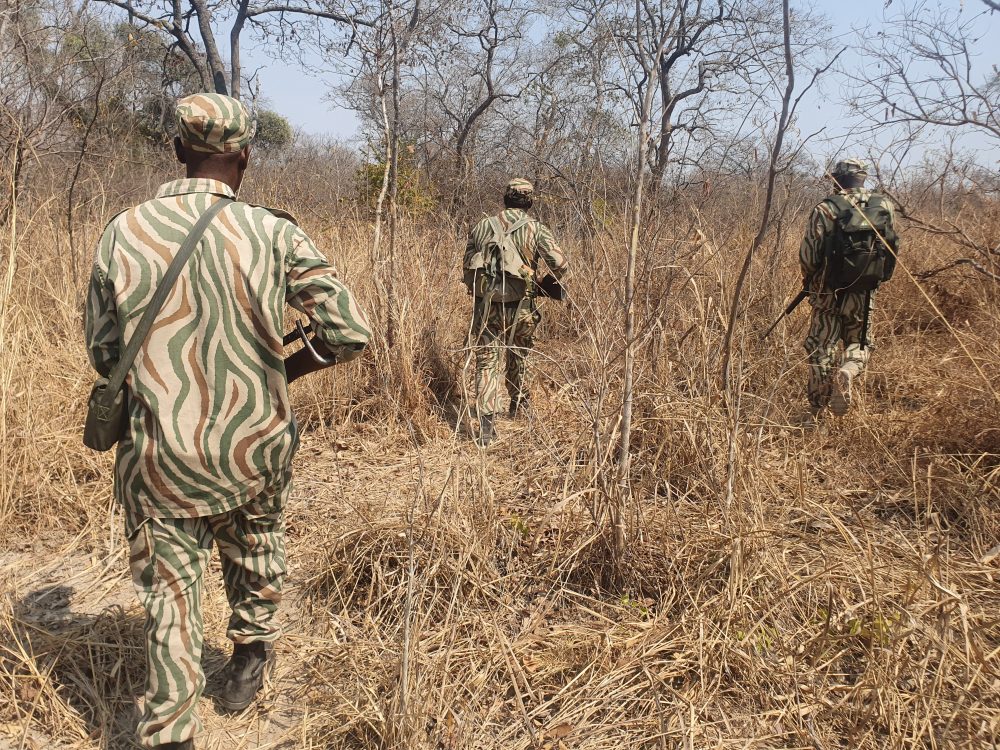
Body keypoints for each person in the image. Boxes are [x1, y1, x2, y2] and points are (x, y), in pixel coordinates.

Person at [83, 93, 371, 750]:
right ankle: (249, 656)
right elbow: (349, 331)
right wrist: (284, 371)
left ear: (178, 150)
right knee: (255, 544)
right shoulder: (274, 234)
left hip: (159, 451)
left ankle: (171, 730)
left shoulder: (124, 231)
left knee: (170, 596)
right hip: (256, 443)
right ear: (245, 156)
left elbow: (104, 353)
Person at [463, 178, 568, 446]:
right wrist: (543, 283)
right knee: (520, 354)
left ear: (505, 198)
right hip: (523, 307)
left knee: (486, 363)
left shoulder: (481, 226)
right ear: (529, 202)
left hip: (487, 306)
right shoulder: (536, 229)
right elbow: (560, 265)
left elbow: (467, 268)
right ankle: (519, 405)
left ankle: (486, 428)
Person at [798, 158, 899, 424]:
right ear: (862, 178)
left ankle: (817, 412)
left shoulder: (825, 208)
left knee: (822, 347)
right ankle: (849, 370)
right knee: (860, 342)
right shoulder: (884, 206)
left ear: (836, 180)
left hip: (827, 292)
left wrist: (811, 281)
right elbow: (891, 248)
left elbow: (809, 256)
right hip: (864, 291)